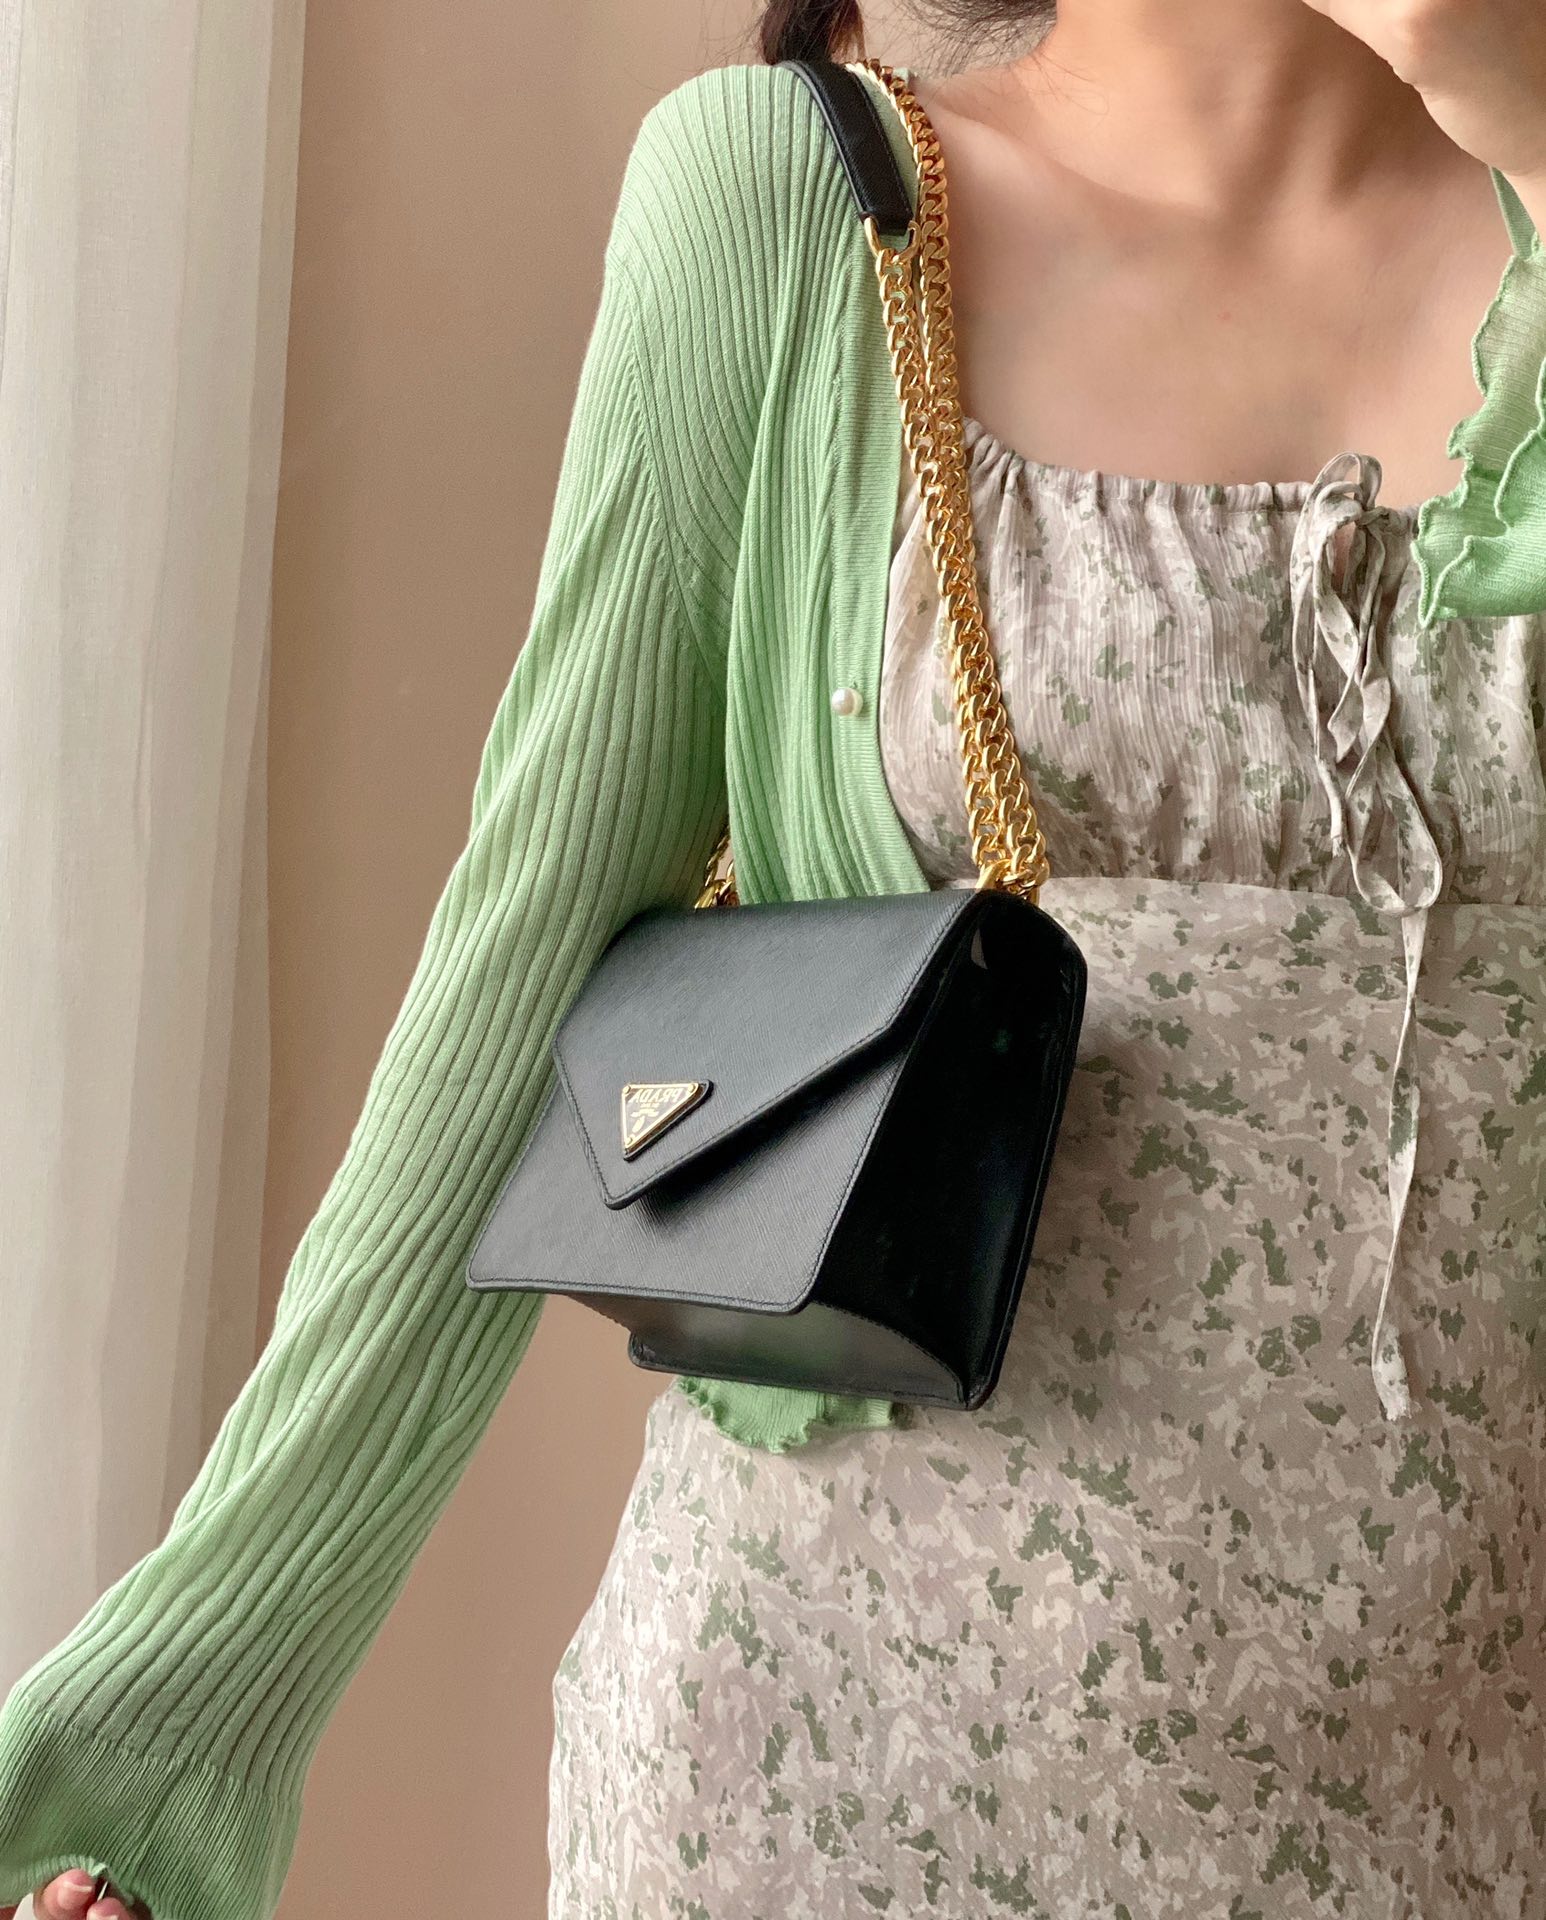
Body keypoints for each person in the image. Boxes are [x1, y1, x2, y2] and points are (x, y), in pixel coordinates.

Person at [5, 0, 1546, 1913]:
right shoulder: (795, 207)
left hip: (1463, 1805)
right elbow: (517, 978)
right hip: (813, 1789)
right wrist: (163, 1742)